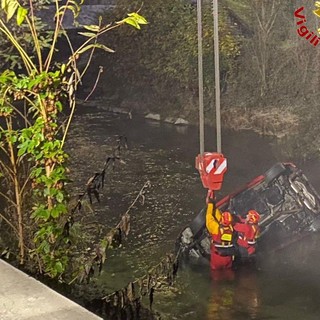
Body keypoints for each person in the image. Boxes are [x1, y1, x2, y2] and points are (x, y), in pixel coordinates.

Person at [206, 201, 235, 271]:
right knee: (228, 273)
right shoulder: (231, 228)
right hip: (228, 257)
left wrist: (210, 204)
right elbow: (220, 219)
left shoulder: (216, 228)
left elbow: (209, 216)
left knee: (215, 276)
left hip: (217, 257)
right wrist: (215, 208)